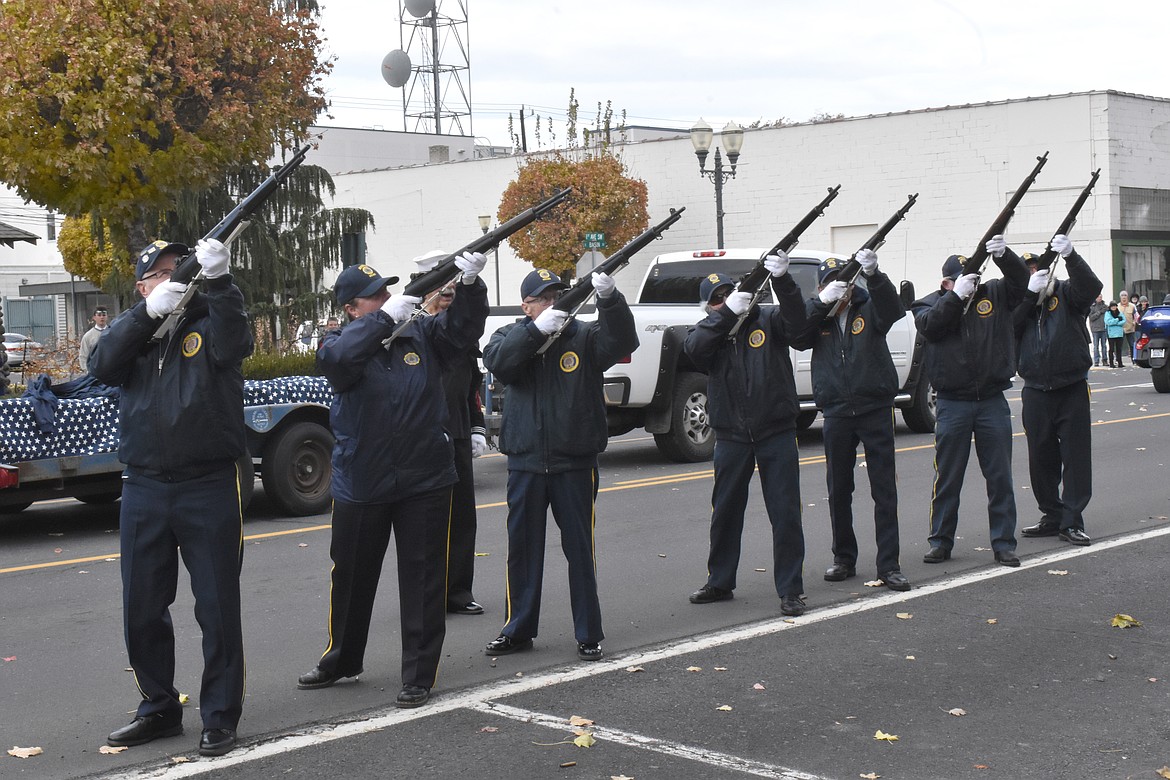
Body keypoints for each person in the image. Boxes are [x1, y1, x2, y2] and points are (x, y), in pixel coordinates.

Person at [297, 254, 488, 708]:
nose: (387, 299)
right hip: (363, 479)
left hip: (425, 476)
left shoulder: (421, 333)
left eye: (388, 293)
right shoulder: (338, 341)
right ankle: (342, 658)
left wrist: (472, 285)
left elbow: (462, 331)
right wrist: (385, 319)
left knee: (423, 578)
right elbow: (340, 361)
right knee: (351, 576)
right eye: (376, 297)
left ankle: (419, 673)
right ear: (351, 309)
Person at [90, 238, 253, 757]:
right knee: (141, 607)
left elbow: (237, 342)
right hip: (143, 485)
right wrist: (143, 316)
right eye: (160, 274)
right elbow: (100, 365)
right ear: (142, 286)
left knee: (217, 607)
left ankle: (221, 715)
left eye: (179, 270)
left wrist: (222, 283)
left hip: (207, 482)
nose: (173, 279)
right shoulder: (135, 334)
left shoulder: (209, 320)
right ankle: (158, 706)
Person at [482, 267, 638, 661]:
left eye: (556, 297)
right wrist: (536, 331)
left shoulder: (583, 335)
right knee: (522, 551)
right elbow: (500, 363)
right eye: (542, 299)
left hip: (573, 460)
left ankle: (588, 632)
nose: (552, 304)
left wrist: (610, 301)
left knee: (580, 551)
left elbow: (621, 340)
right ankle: (518, 628)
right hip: (526, 461)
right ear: (526, 305)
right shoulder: (509, 336)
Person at [684, 253, 811, 616]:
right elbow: (694, 352)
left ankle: (791, 589)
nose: (724, 300)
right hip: (731, 435)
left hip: (775, 431)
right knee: (725, 512)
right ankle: (719, 581)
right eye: (716, 298)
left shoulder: (768, 318)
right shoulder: (707, 331)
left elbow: (800, 330)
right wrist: (726, 316)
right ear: (707, 307)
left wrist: (783, 282)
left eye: (730, 293)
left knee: (785, 513)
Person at [793, 249, 910, 592]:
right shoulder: (820, 319)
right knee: (839, 489)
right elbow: (797, 337)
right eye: (830, 283)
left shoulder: (869, 306)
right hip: (837, 411)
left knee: (884, 489)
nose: (839, 289)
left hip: (874, 406)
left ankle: (889, 564)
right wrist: (819, 305)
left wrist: (875, 275)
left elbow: (894, 309)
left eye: (843, 282)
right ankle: (843, 558)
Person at [912, 235, 1028, 567]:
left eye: (972, 279)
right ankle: (940, 540)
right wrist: (955, 297)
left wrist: (1005, 256)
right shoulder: (928, 303)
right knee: (947, 477)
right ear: (944, 282)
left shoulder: (994, 293)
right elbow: (931, 327)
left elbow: (1021, 283)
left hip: (991, 399)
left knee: (1000, 476)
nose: (971, 286)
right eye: (961, 281)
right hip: (952, 403)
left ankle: (1004, 542)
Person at [413, 249, 490, 616]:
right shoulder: (409, 327)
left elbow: (471, 385)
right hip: (421, 437)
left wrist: (476, 427)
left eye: (452, 287)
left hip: (456, 432)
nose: (447, 293)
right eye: (440, 286)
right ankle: (426, 594)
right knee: (426, 523)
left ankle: (458, 592)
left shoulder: (460, 331)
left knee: (461, 519)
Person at [1013, 237, 1101, 547]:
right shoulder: (1020, 304)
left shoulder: (1066, 293)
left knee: (1075, 456)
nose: (1034, 273)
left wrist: (1072, 257)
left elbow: (1091, 287)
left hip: (1071, 386)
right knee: (1040, 456)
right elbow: (1008, 330)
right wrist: (1027, 296)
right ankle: (1051, 515)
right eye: (1028, 271)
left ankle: (1072, 520)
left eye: (1038, 268)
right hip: (1035, 388)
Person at [77, 306, 109, 372]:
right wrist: (88, 372)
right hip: (94, 373)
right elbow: (83, 356)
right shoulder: (88, 336)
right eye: (99, 315)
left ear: (107, 317)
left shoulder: (112, 333)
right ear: (94, 317)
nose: (102, 317)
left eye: (104, 315)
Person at [1087, 294, 1108, 368]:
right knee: (1096, 346)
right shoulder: (1092, 307)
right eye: (1098, 297)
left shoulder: (1105, 306)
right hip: (1095, 329)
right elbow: (1091, 317)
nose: (1100, 298)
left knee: (1104, 346)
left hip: (1103, 328)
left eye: (1101, 297)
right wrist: (1099, 312)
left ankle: (1105, 360)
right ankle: (1096, 361)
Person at [1104, 301, 1126, 368]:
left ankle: (1120, 362)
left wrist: (1115, 322)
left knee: (1119, 348)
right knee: (1111, 349)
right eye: (1112, 306)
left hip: (1119, 333)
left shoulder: (1120, 313)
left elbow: (1124, 321)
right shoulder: (1107, 313)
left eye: (1115, 306)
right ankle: (1111, 363)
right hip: (1111, 334)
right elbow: (1108, 322)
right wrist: (1117, 320)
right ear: (1110, 307)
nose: (1114, 307)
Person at [1118, 291, 1137, 359]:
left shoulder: (1132, 306)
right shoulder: (1117, 306)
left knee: (1132, 345)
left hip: (1130, 329)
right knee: (1119, 346)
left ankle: (1133, 359)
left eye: (1125, 296)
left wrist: (1134, 322)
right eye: (1122, 296)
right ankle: (1118, 360)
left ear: (1127, 297)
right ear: (1120, 297)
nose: (1124, 297)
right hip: (1120, 329)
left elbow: (1136, 316)